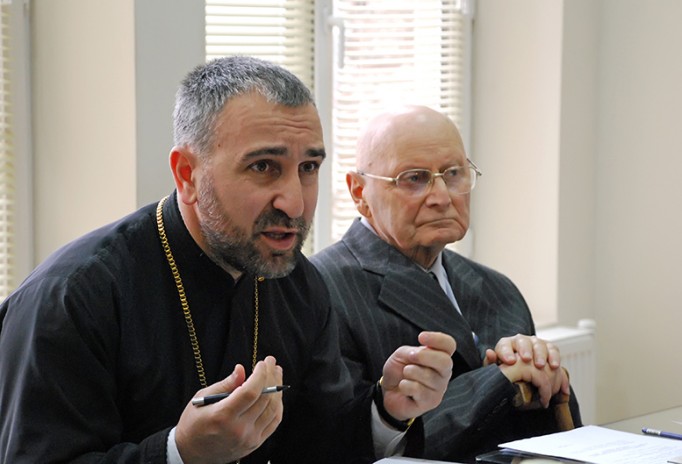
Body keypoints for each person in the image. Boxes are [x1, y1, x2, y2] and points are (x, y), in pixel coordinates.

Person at [0, 57, 457, 464]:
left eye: (308, 168)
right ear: (187, 175)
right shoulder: (74, 296)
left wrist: (386, 410)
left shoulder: (299, 283)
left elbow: (317, 444)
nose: (295, 203)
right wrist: (180, 453)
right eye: (263, 167)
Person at [310, 105, 582, 463]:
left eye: (453, 174)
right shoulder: (320, 289)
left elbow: (550, 435)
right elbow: (343, 446)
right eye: (414, 178)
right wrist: (499, 380)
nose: (441, 197)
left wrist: (546, 372)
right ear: (359, 192)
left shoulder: (497, 288)